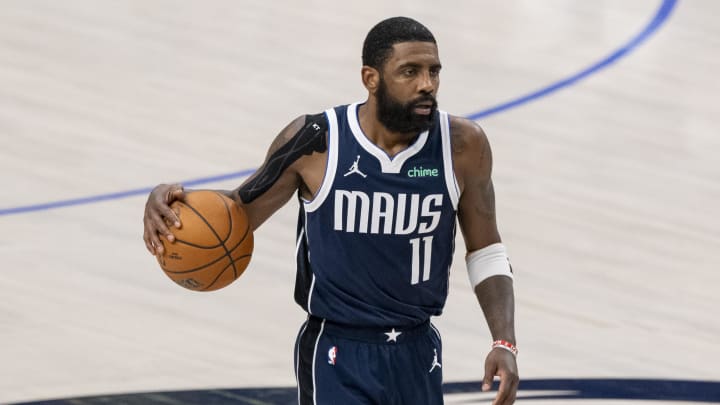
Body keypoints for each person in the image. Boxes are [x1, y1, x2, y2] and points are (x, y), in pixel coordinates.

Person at [143, 16, 519, 405]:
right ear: (370, 78)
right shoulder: (317, 141)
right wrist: (171, 200)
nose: (427, 84)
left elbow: (486, 249)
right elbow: (238, 210)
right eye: (410, 72)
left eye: (433, 71)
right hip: (336, 350)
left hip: (418, 347)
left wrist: (504, 340)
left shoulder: (462, 146)